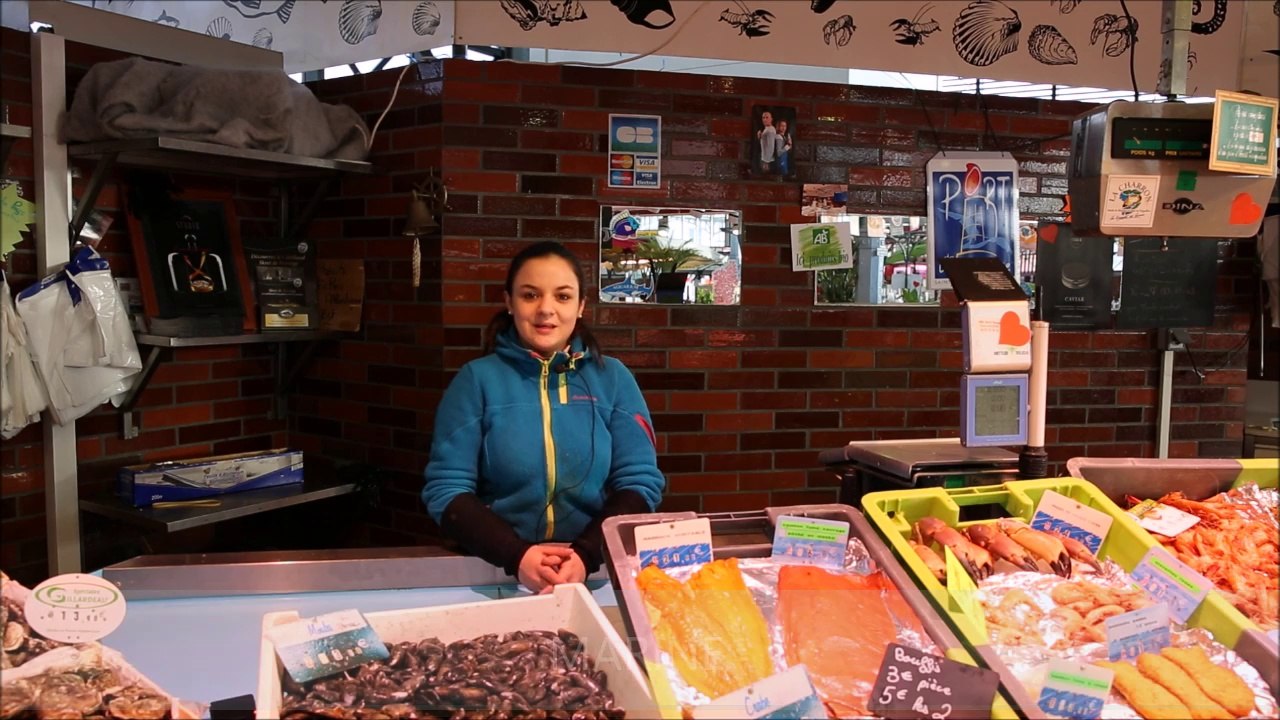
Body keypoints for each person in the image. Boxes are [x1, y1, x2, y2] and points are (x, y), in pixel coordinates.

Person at [422, 241, 666, 593]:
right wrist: (516, 556)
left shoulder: (613, 378)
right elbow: (446, 490)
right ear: (509, 302)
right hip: (498, 571)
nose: (546, 309)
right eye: (530, 295)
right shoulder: (475, 381)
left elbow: (640, 484)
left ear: (580, 306)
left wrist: (586, 555)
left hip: (593, 571)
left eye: (563, 296)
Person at [756, 109, 777, 173]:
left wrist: (766, 162)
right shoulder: (767, 129)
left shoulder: (770, 130)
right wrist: (760, 136)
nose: (765, 119)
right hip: (765, 158)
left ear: (771, 119)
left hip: (767, 160)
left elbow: (771, 147)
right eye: (763, 117)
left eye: (767, 117)